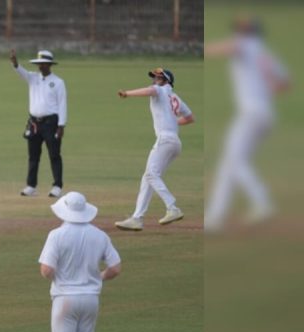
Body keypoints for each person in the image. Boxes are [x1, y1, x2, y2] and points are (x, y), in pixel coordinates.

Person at [38, 191, 121, 332]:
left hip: (65, 298)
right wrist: (98, 278)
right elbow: (115, 268)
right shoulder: (99, 235)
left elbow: (46, 270)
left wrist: (58, 278)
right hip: (91, 299)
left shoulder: (57, 235)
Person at [204, 17, 289, 230]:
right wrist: (265, 92)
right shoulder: (265, 52)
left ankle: (262, 201)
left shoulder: (246, 44)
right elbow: (284, 83)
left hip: (251, 113)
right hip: (265, 114)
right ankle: (214, 218)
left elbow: (231, 46)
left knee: (233, 161)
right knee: (229, 163)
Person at [115, 68, 195, 231]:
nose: (155, 79)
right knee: (148, 177)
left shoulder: (159, 90)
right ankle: (137, 218)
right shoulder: (175, 97)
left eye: (159, 77)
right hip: (174, 141)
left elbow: (150, 90)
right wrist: (173, 124)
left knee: (151, 174)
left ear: (167, 81)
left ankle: (172, 207)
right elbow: (190, 118)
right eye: (155, 77)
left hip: (165, 140)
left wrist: (127, 94)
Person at [10, 49, 67, 198]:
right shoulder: (33, 78)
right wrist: (15, 64)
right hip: (34, 122)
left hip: (51, 122)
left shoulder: (58, 82)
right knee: (33, 155)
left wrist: (61, 125)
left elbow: (62, 104)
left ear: (49, 65)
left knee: (54, 155)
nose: (39, 66)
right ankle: (31, 185)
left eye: (42, 64)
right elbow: (22, 73)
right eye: (38, 63)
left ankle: (57, 186)